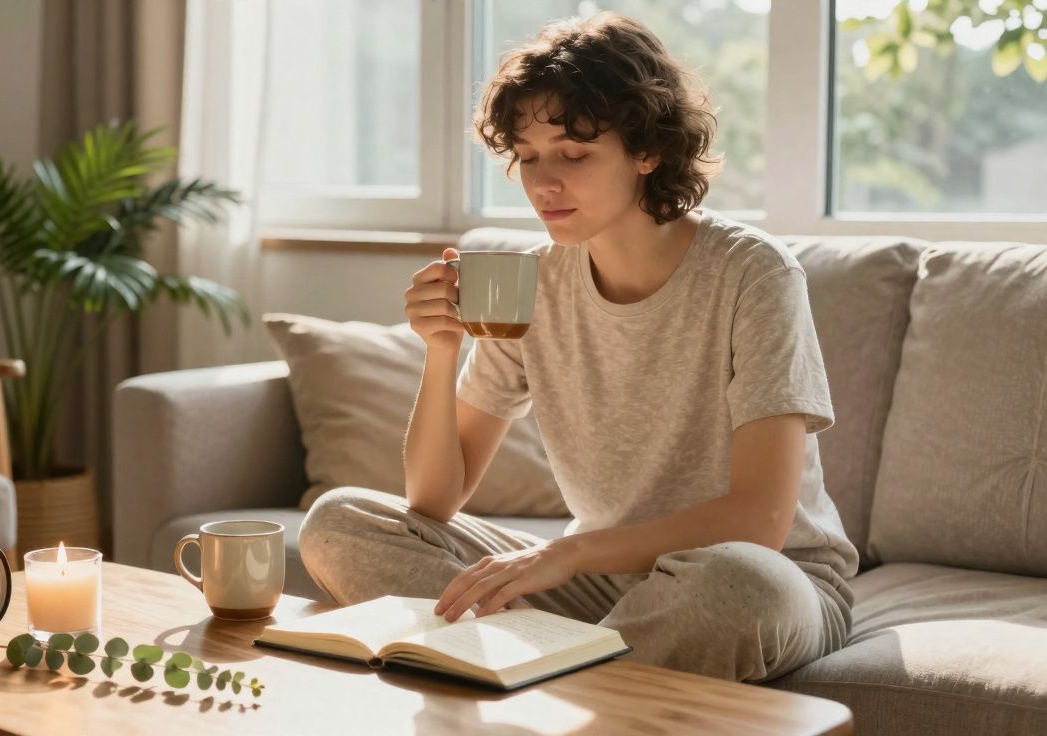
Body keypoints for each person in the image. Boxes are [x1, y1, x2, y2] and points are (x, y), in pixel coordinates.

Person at [297, 11, 857, 682]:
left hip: (768, 576)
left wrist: (568, 555)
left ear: (647, 151)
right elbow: (434, 502)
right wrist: (440, 350)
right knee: (339, 522)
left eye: (573, 154)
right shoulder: (531, 284)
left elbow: (759, 521)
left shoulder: (754, 274)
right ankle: (578, 669)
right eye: (529, 157)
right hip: (607, 585)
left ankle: (536, 674)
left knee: (738, 587)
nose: (542, 184)